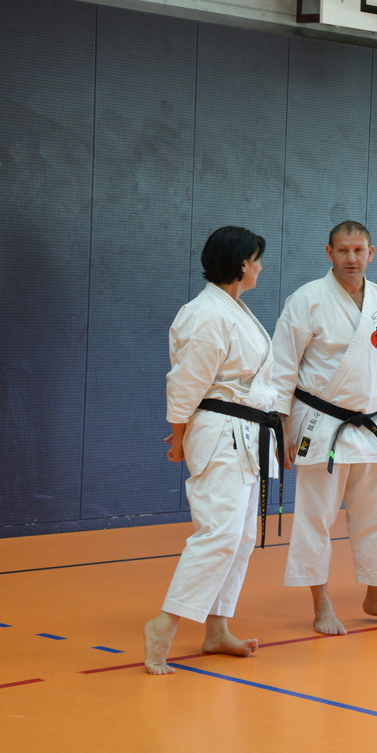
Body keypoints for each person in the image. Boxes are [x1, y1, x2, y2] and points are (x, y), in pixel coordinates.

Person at [271, 220, 377, 635]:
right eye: (343, 251)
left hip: (372, 425)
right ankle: (321, 605)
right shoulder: (306, 299)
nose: (351, 259)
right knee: (316, 517)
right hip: (319, 423)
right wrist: (283, 428)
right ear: (329, 253)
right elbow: (282, 365)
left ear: (371, 253)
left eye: (359, 251)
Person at [144, 225, 280, 675]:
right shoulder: (205, 313)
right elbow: (185, 383)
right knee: (218, 534)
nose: (261, 267)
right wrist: (179, 436)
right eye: (257, 260)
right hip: (221, 433)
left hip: (245, 432)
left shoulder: (233, 309)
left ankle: (217, 627)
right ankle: (164, 625)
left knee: (240, 537)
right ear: (242, 263)